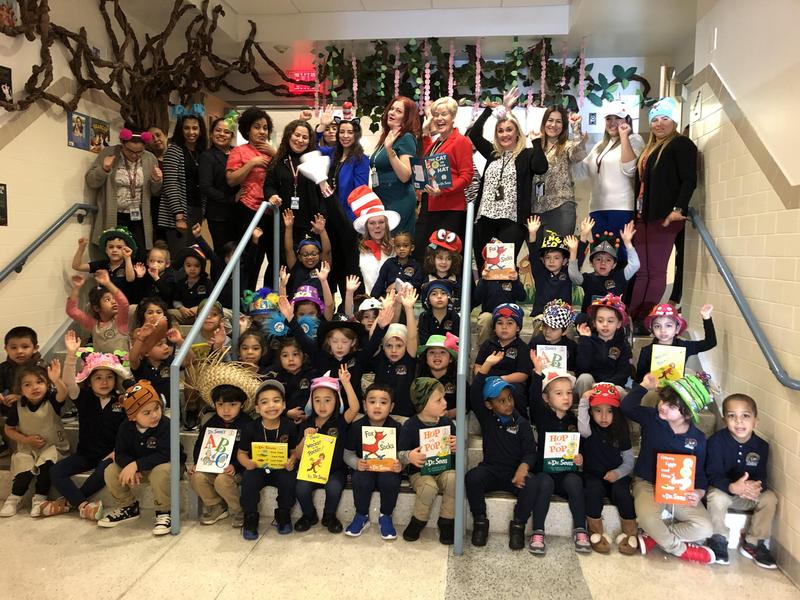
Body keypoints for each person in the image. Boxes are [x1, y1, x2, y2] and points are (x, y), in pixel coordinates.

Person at [622, 373, 716, 564]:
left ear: (688, 414)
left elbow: (699, 473)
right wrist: (642, 386)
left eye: (672, 406)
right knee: (647, 519)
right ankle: (679, 550)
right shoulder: (652, 419)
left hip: (679, 489)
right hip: (647, 483)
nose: (662, 406)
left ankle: (656, 537)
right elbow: (626, 407)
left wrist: (698, 492)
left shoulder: (697, 439)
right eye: (663, 400)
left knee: (705, 528)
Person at [624, 97, 698, 326]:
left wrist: (678, 209)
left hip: (665, 217)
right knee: (643, 271)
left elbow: (689, 179)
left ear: (674, 121)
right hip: (645, 216)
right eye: (654, 120)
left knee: (655, 271)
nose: (659, 124)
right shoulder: (650, 149)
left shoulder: (681, 144)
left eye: (665, 118)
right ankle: (631, 317)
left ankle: (645, 320)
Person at [41, 333, 129, 520]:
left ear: (115, 380)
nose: (104, 382)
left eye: (108, 378)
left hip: (110, 456)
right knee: (56, 471)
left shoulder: (122, 402)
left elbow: (128, 431)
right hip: (85, 454)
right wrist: (71, 355)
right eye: (98, 378)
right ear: (89, 381)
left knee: (103, 472)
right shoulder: (84, 399)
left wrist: (117, 451)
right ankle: (82, 505)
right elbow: (69, 382)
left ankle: (66, 503)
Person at [469, 88, 548, 271]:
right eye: (500, 131)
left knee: (502, 268)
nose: (505, 134)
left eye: (509, 130)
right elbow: (474, 134)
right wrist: (493, 111)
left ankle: (503, 299)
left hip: (512, 221)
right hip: (484, 218)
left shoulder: (526, 154)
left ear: (517, 133)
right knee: (484, 268)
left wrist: (536, 143)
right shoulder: (492, 154)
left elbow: (541, 167)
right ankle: (487, 300)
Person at [98, 380, 182, 534]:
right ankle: (128, 507)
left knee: (160, 471)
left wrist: (137, 464)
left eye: (157, 408)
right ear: (133, 417)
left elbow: (167, 454)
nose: (155, 415)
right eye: (147, 413)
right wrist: (131, 465)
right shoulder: (126, 427)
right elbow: (120, 452)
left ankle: (165, 511)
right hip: (142, 468)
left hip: (168, 466)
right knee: (110, 470)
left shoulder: (165, 425)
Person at [705, 393, 778, 568]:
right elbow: (712, 474)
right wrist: (731, 486)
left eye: (745, 416)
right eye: (732, 416)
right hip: (724, 491)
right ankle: (719, 538)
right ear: (724, 421)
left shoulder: (761, 446)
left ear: (755, 421)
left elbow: (761, 475)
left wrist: (754, 486)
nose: (739, 422)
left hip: (746, 495)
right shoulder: (716, 441)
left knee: (770, 498)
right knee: (716, 497)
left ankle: (754, 542)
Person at [468, 373, 538, 550]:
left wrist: (523, 467)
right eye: (501, 401)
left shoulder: (522, 423)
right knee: (472, 478)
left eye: (509, 398)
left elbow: (530, 451)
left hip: (514, 474)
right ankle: (480, 522)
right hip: (490, 470)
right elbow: (475, 391)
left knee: (532, 484)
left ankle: (518, 526)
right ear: (489, 405)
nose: (508, 404)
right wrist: (485, 369)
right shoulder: (486, 418)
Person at [527, 364, 590, 554]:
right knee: (544, 484)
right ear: (546, 398)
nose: (566, 398)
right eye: (559, 393)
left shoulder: (573, 419)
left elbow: (579, 445)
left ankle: (580, 529)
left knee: (575, 482)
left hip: (565, 472)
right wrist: (537, 373)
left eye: (569, 393)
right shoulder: (542, 415)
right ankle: (538, 531)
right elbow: (533, 399)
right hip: (544, 471)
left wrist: (580, 458)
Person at [294, 365, 360, 534]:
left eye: (327, 400)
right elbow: (297, 454)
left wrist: (346, 383)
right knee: (300, 487)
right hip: (311, 470)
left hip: (335, 470)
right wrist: (305, 439)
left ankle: (329, 516)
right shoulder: (307, 423)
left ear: (336, 401)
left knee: (333, 487)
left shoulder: (340, 421)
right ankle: (309, 515)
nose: (322, 405)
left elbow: (355, 408)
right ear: (311, 401)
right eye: (317, 400)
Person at [575, 100, 644, 258]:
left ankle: (623, 284)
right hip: (597, 209)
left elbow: (630, 169)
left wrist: (624, 136)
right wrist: (576, 144)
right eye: (608, 119)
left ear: (626, 120)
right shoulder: (600, 145)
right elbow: (580, 172)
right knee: (601, 257)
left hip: (622, 209)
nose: (613, 123)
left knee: (621, 256)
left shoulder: (635, 139)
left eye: (617, 118)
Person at [0, 359, 68, 517]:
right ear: (20, 389)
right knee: (24, 469)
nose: (34, 387)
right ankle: (15, 498)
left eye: (39, 382)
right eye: (27, 384)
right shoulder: (18, 406)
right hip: (28, 448)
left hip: (52, 447)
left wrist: (56, 379)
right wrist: (26, 440)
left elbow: (63, 393)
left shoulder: (52, 400)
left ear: (47, 384)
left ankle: (39, 498)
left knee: (46, 466)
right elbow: (9, 429)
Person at [264, 119, 326, 289]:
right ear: (289, 136)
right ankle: (278, 299)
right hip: (284, 222)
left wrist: (320, 220)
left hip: (309, 224)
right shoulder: (278, 161)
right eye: (297, 135)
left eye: (305, 137)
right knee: (281, 263)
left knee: (308, 265)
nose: (300, 140)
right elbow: (268, 185)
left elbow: (323, 193)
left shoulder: (314, 160)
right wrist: (272, 195)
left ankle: (308, 299)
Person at [577, 383, 638, 555]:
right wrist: (583, 401)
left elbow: (628, 463)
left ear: (616, 412)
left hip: (617, 474)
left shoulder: (621, 431)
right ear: (590, 411)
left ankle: (630, 533)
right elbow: (582, 426)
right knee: (593, 492)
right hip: (594, 474)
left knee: (623, 494)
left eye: (609, 411)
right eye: (598, 410)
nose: (604, 416)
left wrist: (617, 473)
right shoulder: (589, 431)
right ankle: (596, 531)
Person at [314, 106, 367, 297]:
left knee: (348, 264)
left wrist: (351, 221)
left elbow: (360, 191)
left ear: (356, 134)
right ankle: (330, 305)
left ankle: (350, 305)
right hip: (328, 217)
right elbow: (314, 149)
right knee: (330, 261)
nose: (345, 136)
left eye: (349, 132)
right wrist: (321, 126)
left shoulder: (361, 159)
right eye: (341, 131)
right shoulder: (332, 154)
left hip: (347, 219)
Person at [237, 380, 300, 539]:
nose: (271, 406)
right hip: (257, 468)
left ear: (284, 405)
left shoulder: (289, 426)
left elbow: (294, 451)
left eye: (276, 401)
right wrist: (247, 463)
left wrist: (292, 460)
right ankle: (250, 516)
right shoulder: (250, 427)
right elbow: (241, 453)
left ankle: (283, 514)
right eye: (265, 402)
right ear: (257, 408)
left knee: (289, 481)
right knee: (249, 480)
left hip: (281, 468)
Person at [86, 125, 162, 254]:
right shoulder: (109, 153)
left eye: (139, 152)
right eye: (130, 151)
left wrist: (156, 181)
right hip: (114, 215)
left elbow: (155, 192)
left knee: (138, 254)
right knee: (113, 254)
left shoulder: (150, 158)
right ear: (122, 144)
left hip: (139, 217)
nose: (134, 155)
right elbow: (91, 181)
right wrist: (104, 169)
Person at [398, 377, 457, 544]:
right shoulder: (410, 425)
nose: (445, 403)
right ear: (422, 403)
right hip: (420, 472)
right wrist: (409, 456)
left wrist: (456, 446)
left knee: (453, 480)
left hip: (444, 469)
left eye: (444, 398)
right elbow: (399, 453)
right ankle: (419, 520)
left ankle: (447, 521)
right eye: (439, 400)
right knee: (429, 487)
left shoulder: (447, 423)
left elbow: (455, 450)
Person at [189, 377, 254, 529]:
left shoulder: (248, 424)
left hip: (237, 469)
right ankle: (216, 505)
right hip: (213, 466)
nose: (226, 410)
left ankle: (239, 510)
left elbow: (250, 450)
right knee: (196, 477)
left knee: (222, 481)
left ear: (242, 405)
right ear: (214, 405)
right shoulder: (210, 423)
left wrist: (236, 466)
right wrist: (198, 462)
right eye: (220, 405)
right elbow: (200, 445)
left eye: (232, 405)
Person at [226, 107, 277, 290]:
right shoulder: (239, 151)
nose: (262, 132)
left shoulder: (272, 152)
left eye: (265, 128)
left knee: (274, 257)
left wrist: (274, 153)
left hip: (271, 212)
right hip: (247, 210)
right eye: (257, 127)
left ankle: (270, 297)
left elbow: (286, 174)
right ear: (248, 129)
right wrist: (252, 163)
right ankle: (245, 299)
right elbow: (231, 180)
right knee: (250, 257)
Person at [343, 383, 403, 540]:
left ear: (391, 407)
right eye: (372, 402)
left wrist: (400, 464)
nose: (377, 406)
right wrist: (356, 463)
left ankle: (386, 516)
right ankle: (361, 515)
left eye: (383, 402)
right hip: (365, 469)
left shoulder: (397, 427)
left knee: (390, 479)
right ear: (364, 405)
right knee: (360, 479)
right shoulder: (356, 427)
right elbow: (347, 453)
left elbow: (403, 454)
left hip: (388, 470)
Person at [416, 96, 474, 252]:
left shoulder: (460, 141)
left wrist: (443, 189)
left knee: (446, 255)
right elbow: (429, 162)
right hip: (432, 205)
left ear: (453, 116)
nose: (439, 119)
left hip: (450, 208)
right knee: (427, 252)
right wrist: (425, 131)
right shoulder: (437, 142)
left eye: (444, 114)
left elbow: (466, 176)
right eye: (436, 115)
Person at [531, 106, 587, 243]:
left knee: (557, 256)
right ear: (544, 123)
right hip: (535, 208)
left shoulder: (567, 145)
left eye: (558, 121)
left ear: (564, 125)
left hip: (561, 207)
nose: (553, 125)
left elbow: (578, 155)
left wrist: (576, 128)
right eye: (550, 120)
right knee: (536, 255)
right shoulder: (535, 144)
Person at [159, 113, 208, 258]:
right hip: (178, 213)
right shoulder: (174, 150)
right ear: (180, 130)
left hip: (196, 209)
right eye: (186, 128)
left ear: (201, 130)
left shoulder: (202, 153)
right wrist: (179, 216)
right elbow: (170, 184)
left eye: (195, 128)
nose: (191, 132)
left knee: (193, 256)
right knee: (179, 257)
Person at [370, 96, 420, 235]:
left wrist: (390, 151)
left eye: (398, 111)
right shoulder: (388, 136)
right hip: (381, 197)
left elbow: (405, 176)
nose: (391, 113)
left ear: (406, 117)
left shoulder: (406, 138)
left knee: (395, 245)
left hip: (398, 198)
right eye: (391, 108)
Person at [566, 218, 638, 312]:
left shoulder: (619, 277)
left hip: (612, 322)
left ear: (614, 265)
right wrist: (582, 238)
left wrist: (628, 243)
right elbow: (574, 275)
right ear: (592, 263)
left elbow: (635, 265)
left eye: (608, 260)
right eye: (598, 259)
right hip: (589, 322)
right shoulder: (587, 279)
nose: (603, 263)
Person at [473, 303, 532, 416]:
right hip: (488, 380)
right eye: (499, 323)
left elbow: (523, 374)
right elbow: (478, 366)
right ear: (494, 328)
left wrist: (501, 380)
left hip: (510, 382)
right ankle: (485, 421)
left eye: (510, 323)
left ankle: (521, 421)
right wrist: (482, 379)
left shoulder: (522, 347)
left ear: (518, 328)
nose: (504, 327)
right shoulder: (488, 344)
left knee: (518, 392)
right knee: (476, 390)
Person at [635, 303, 716, 383]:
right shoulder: (647, 351)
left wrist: (706, 318)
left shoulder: (683, 347)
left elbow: (710, 343)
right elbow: (639, 380)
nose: (663, 330)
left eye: (668, 325)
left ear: (677, 329)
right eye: (657, 326)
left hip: (675, 394)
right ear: (652, 329)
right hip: (652, 392)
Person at [369, 290, 418, 417]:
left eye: (399, 346)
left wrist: (408, 308)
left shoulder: (409, 358)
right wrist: (384, 310)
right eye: (389, 345)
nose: (394, 350)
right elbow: (373, 336)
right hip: (379, 414)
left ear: (406, 346)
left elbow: (412, 336)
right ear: (383, 346)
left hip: (404, 415)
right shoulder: (380, 358)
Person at [575, 294, 632, 398]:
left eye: (610, 321)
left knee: (621, 391)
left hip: (612, 387)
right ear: (594, 323)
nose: (605, 324)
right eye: (600, 321)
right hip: (591, 387)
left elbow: (623, 374)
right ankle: (584, 410)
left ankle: (614, 414)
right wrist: (585, 340)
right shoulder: (588, 341)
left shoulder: (623, 346)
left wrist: (604, 385)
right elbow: (582, 368)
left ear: (618, 324)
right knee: (584, 378)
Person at [347, 186, 400, 295]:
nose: (377, 226)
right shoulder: (357, 251)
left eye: (381, 222)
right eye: (372, 223)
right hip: (367, 304)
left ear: (386, 225)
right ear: (366, 227)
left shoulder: (397, 247)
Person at [66, 271, 130, 354]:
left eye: (114, 298)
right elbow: (71, 310)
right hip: (101, 365)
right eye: (107, 300)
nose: (114, 302)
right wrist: (77, 288)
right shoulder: (93, 324)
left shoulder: (120, 321)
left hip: (121, 365)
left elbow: (124, 304)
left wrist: (108, 283)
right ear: (96, 308)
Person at [199, 116, 238, 251]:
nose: (222, 134)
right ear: (211, 133)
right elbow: (205, 187)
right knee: (223, 253)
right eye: (218, 130)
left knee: (240, 253)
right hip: (218, 215)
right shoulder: (207, 156)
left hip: (239, 213)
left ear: (232, 136)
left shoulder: (237, 152)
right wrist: (230, 199)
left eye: (226, 132)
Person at [72, 228, 136, 300]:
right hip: (104, 305)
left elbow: (130, 278)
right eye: (111, 247)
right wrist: (81, 248)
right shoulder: (101, 265)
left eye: (119, 247)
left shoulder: (128, 265)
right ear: (106, 250)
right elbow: (77, 266)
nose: (114, 250)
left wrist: (127, 258)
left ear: (126, 249)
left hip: (123, 304)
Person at [526, 218, 572, 317]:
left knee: (567, 328)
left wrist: (583, 238)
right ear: (543, 260)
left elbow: (577, 260)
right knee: (540, 323)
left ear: (564, 261)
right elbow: (533, 255)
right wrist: (533, 233)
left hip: (562, 316)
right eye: (548, 257)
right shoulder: (540, 272)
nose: (551, 261)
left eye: (556, 258)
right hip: (541, 315)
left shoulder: (568, 273)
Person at [473, 263, 526, 345]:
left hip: (508, 314)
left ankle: (512, 348)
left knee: (511, 320)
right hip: (490, 313)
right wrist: (483, 280)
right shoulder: (486, 281)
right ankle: (483, 351)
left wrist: (515, 281)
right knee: (485, 318)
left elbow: (522, 297)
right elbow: (477, 298)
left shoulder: (511, 279)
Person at [416, 333, 461, 419]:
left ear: (450, 358)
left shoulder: (458, 380)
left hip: (451, 421)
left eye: (442, 352)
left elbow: (464, 406)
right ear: (426, 358)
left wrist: (447, 414)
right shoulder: (419, 380)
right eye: (432, 352)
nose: (437, 355)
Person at [527, 300, 577, 373]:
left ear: (565, 331)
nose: (547, 331)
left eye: (553, 328)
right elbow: (526, 364)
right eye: (545, 326)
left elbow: (575, 369)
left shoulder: (572, 347)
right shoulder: (535, 342)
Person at [370, 231, 423, 298]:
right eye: (398, 246)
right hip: (390, 298)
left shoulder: (416, 266)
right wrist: (373, 298)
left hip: (408, 300)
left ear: (412, 248)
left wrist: (398, 285)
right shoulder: (389, 263)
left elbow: (417, 285)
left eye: (405, 246)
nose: (401, 249)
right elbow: (380, 281)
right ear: (394, 248)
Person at [146, 125, 169, 242]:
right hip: (156, 207)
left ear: (165, 135)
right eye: (151, 137)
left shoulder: (176, 157)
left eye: (158, 135)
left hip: (173, 207)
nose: (155, 139)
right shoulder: (148, 161)